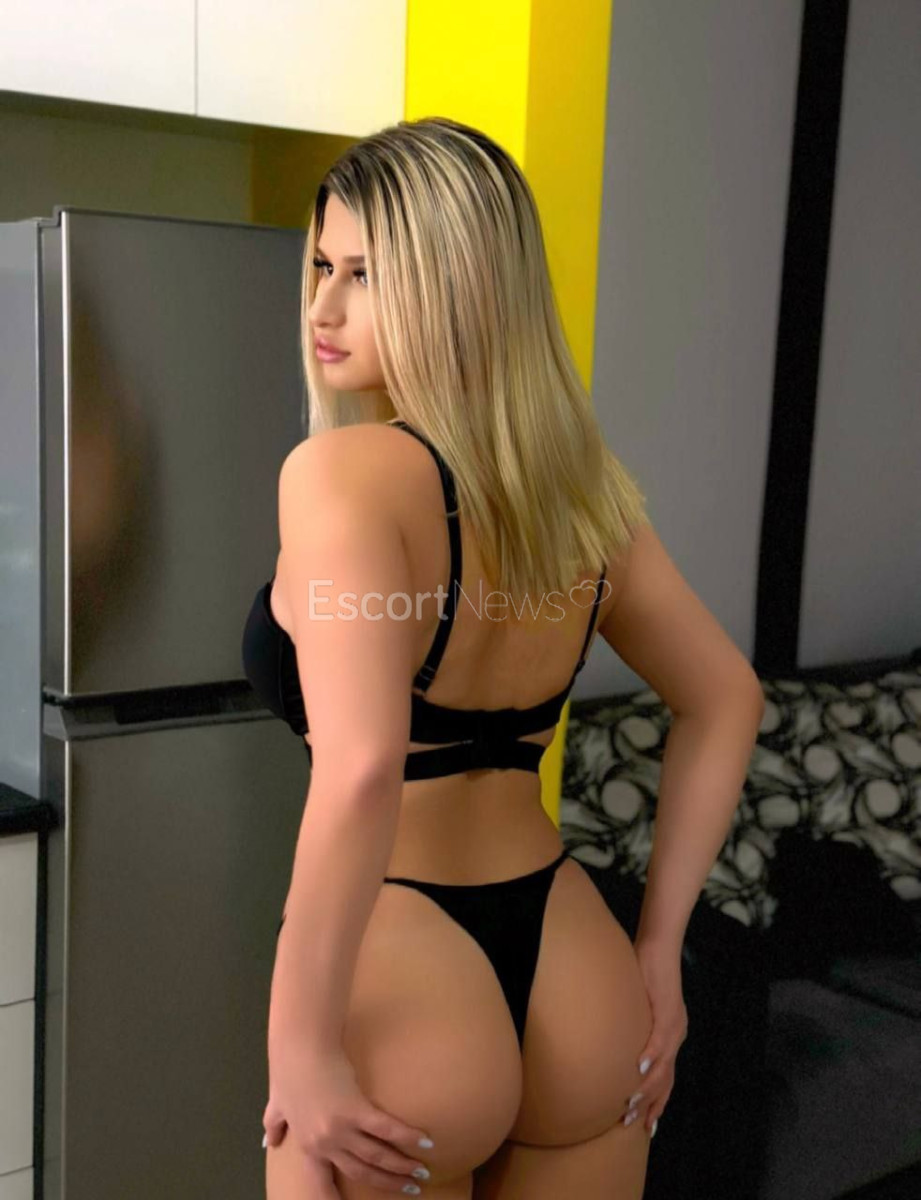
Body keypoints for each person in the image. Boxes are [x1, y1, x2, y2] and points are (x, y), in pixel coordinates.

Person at [241, 116, 765, 1200]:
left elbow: (361, 767)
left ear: (455, 288)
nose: (322, 308)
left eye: (364, 275)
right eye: (321, 268)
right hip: (579, 974)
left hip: (402, 967)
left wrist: (301, 1041)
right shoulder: (582, 494)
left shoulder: (340, 475)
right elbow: (727, 696)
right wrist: (657, 954)